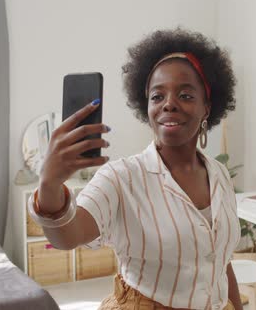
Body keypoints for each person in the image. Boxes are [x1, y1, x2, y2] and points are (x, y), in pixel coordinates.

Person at [28, 28, 241, 310]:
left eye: (186, 95)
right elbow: (67, 236)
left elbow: (221, 263)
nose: (169, 104)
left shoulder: (219, 176)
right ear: (147, 107)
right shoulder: (121, 178)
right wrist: (49, 184)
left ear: (207, 108)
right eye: (157, 96)